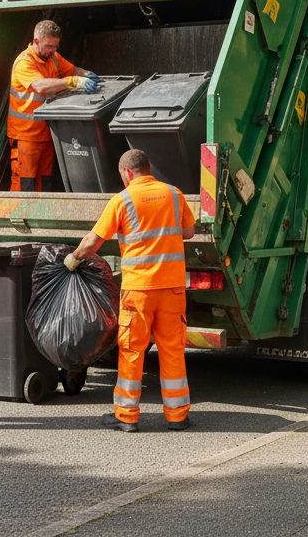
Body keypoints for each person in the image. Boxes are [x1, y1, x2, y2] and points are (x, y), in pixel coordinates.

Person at [65, 149, 196, 432]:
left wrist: (74, 258)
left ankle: (126, 417)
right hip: (172, 289)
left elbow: (94, 241)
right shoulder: (174, 194)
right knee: (172, 350)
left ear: (126, 173)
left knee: (132, 351)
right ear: (148, 169)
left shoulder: (122, 200)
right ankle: (178, 417)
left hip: (139, 291)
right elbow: (188, 233)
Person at [8, 19, 99, 192]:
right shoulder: (24, 63)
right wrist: (73, 82)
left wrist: (86, 74)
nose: (53, 50)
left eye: (56, 46)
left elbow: (73, 70)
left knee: (44, 184)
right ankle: (21, 219)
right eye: (49, 46)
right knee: (24, 186)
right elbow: (41, 86)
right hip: (26, 136)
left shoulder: (53, 58)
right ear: (36, 41)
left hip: (49, 133)